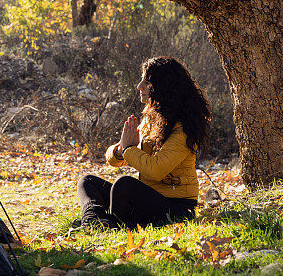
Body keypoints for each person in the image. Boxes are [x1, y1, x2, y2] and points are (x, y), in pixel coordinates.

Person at [75, 56, 211, 229]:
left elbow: (156, 170)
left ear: (164, 86)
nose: (139, 86)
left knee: (124, 184)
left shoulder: (184, 127)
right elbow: (118, 158)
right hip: (148, 199)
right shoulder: (153, 117)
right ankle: (93, 219)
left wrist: (128, 150)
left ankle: (110, 222)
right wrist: (119, 151)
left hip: (176, 208)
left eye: (146, 82)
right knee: (87, 181)